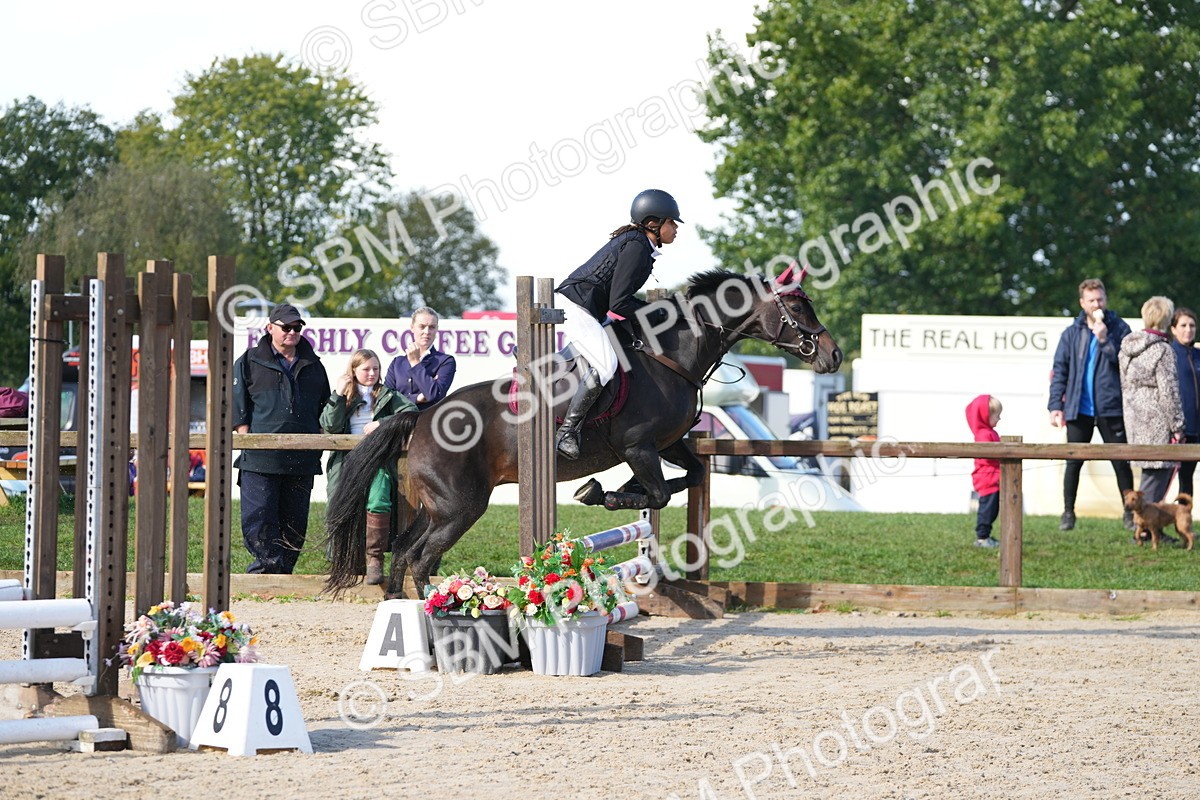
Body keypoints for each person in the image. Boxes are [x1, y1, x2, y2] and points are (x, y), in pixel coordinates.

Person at [552, 188, 682, 459]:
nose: (675, 229)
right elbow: (620, 304)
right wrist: (654, 312)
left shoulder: (640, 245)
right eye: (671, 222)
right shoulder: (636, 246)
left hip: (589, 307)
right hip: (579, 306)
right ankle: (567, 431)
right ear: (652, 224)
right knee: (607, 363)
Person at [233, 303, 330, 574]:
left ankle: (284, 576)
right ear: (270, 328)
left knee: (295, 523)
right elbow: (237, 408)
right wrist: (248, 442)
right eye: (285, 327)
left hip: (301, 460)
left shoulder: (315, 365)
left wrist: (316, 442)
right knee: (259, 518)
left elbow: (324, 408)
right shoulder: (248, 361)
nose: (292, 332)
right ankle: (264, 574)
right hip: (260, 459)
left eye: (296, 327)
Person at [321, 349, 415, 585]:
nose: (372, 373)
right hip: (346, 461)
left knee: (379, 497)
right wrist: (338, 393)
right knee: (341, 507)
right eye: (366, 369)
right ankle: (343, 563)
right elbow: (330, 426)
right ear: (353, 370)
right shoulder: (344, 395)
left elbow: (412, 414)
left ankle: (374, 559)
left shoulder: (388, 395)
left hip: (376, 459)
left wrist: (383, 424)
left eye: (376, 368)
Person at [1048, 278, 1135, 531]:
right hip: (1078, 409)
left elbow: (1125, 365)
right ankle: (1068, 513)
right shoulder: (1071, 333)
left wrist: (1105, 339)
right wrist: (1056, 405)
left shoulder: (1119, 328)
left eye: (1100, 299)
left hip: (1111, 408)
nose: (1097, 304)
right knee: (1073, 462)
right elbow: (1059, 371)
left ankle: (1129, 514)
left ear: (1105, 299)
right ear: (1082, 303)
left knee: (1121, 462)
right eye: (1092, 300)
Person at [1119, 296, 1185, 504]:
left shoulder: (1127, 349)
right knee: (1156, 475)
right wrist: (1177, 425)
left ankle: (1150, 528)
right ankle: (1145, 527)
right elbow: (1169, 392)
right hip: (1157, 420)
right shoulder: (1163, 350)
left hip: (1134, 418)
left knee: (1150, 471)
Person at [384, 307, 456, 410]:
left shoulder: (445, 361)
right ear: (412, 327)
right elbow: (386, 399)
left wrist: (415, 363)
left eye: (432, 327)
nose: (427, 332)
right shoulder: (397, 363)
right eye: (422, 326)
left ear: (437, 329)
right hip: (397, 423)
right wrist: (417, 398)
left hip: (428, 423)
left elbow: (434, 395)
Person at [1170, 307, 1200, 497]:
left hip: (1198, 429)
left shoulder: (1198, 355)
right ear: (1173, 329)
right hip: (1180, 429)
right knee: (1173, 478)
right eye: (1183, 325)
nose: (1188, 329)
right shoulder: (1169, 354)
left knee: (1188, 477)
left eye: (1192, 325)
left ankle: (1184, 523)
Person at [966, 394, 1003, 548]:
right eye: (997, 415)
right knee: (987, 509)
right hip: (988, 479)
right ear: (985, 416)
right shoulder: (984, 435)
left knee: (993, 509)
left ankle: (986, 535)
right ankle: (982, 537)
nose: (999, 419)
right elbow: (988, 456)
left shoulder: (989, 432)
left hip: (993, 477)